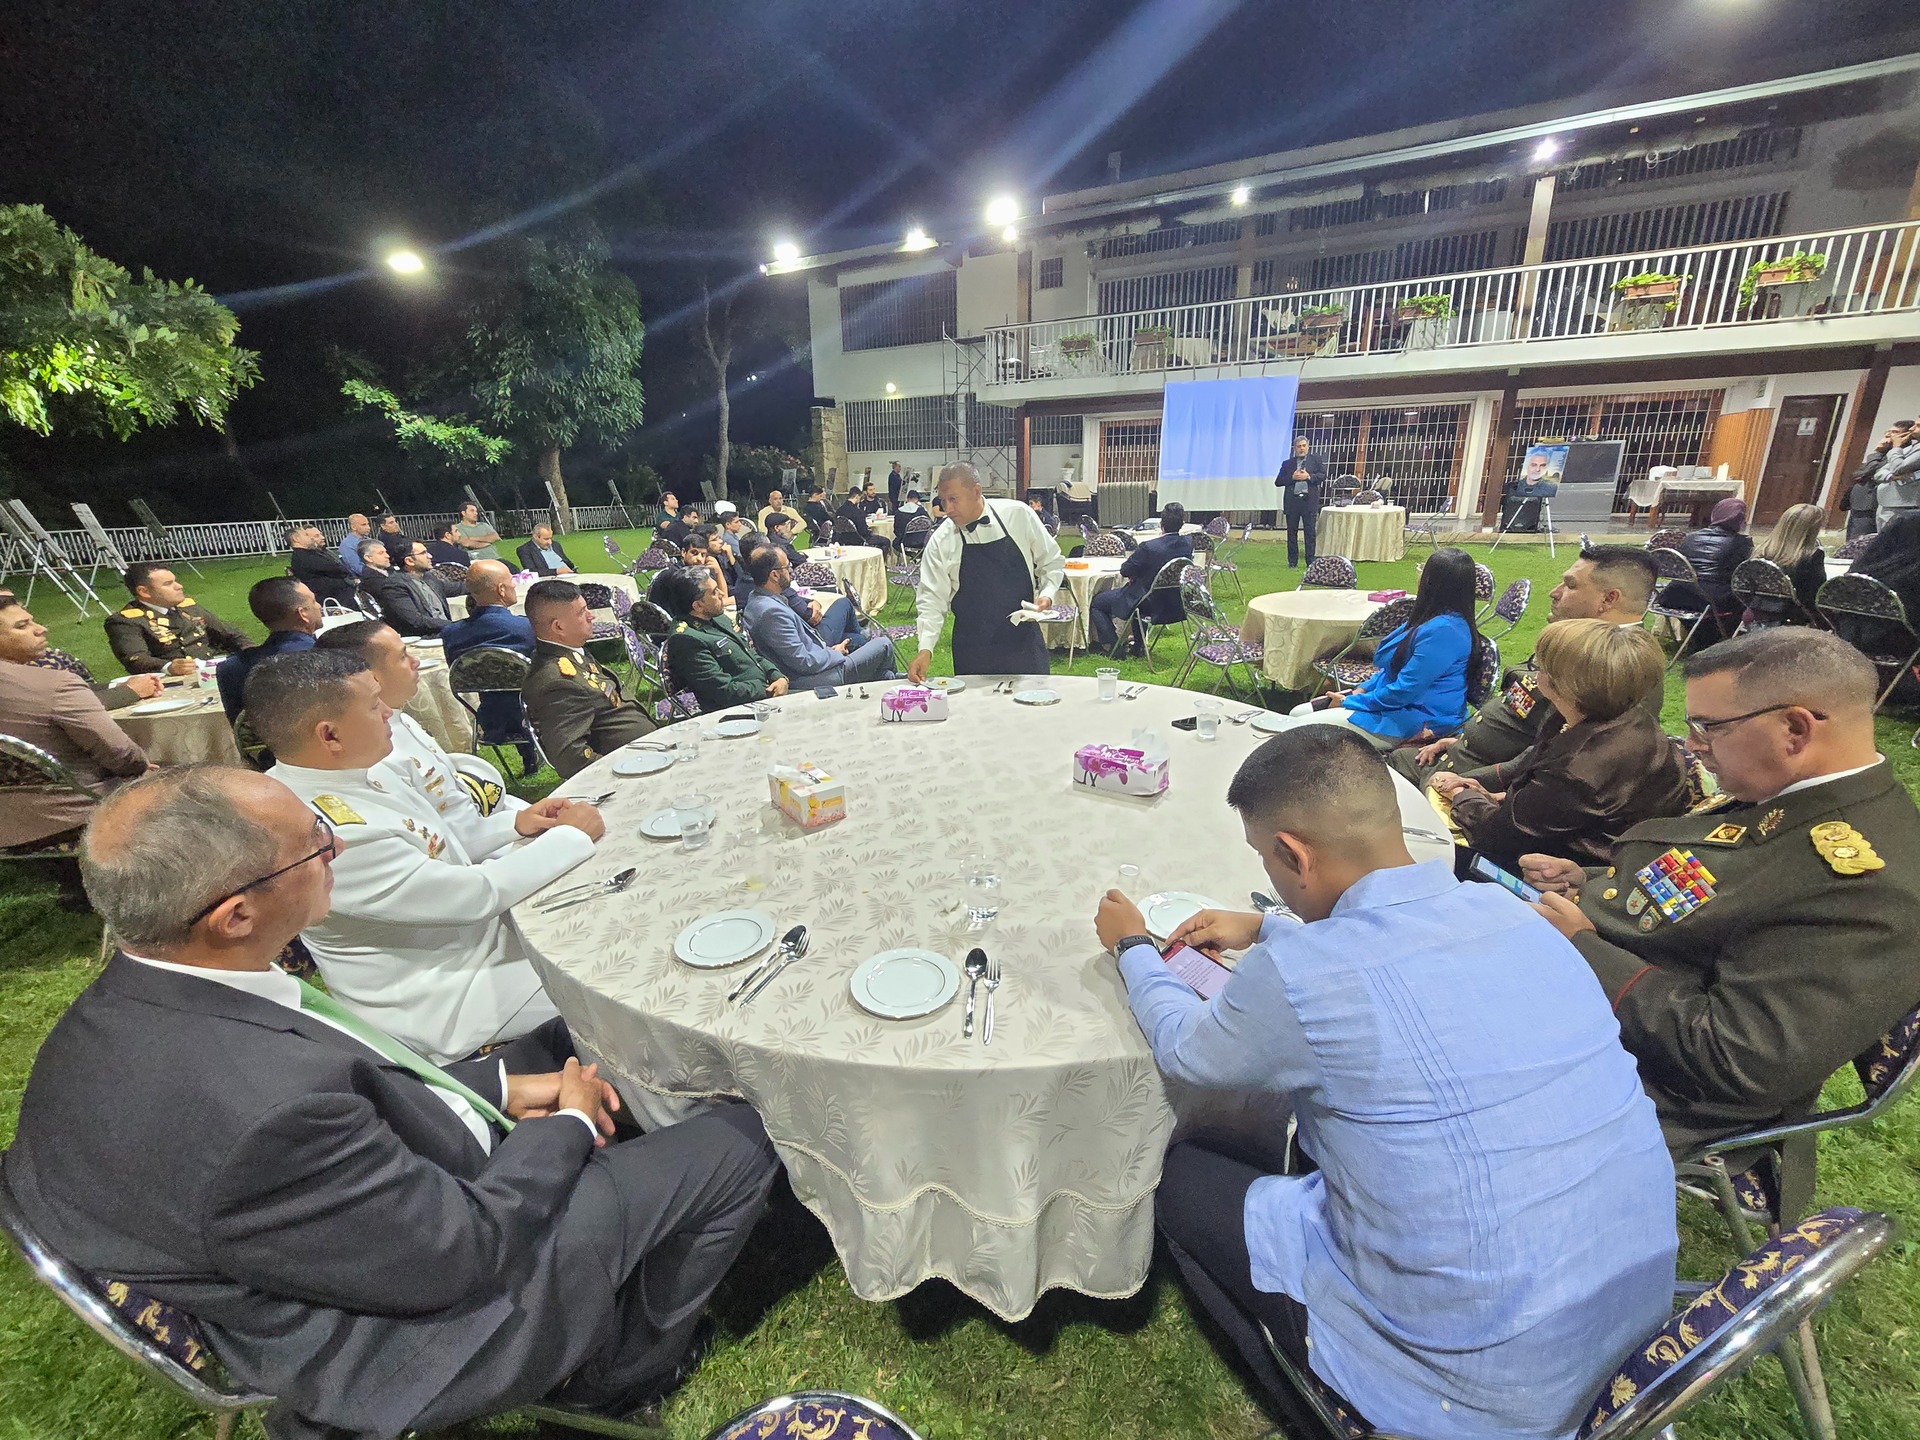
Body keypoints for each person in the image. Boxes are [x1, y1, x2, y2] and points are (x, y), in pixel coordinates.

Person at [3, 763, 777, 1439]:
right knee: (743, 1138)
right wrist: (568, 1124)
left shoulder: (137, 1000)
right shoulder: (260, 1110)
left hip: (333, 1232)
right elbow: (459, 1252)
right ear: (233, 914)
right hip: (409, 1330)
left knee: (570, 1034)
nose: (336, 847)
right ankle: (621, 1378)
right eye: (314, 845)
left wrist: (504, 1086)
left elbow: (353, 1094)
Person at [1096, 726, 1675, 1438]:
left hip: (1473, 1386)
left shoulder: (1307, 974)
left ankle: (1318, 1397)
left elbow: (1188, 1050)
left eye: (1265, 860)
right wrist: (1269, 924)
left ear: (1291, 854)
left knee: (1177, 1175)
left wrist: (1131, 947)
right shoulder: (1514, 915)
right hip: (1630, 1317)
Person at [1522, 628, 1920, 1216]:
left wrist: (1585, 948)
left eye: (1710, 727)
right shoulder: (1795, 796)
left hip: (1651, 1082)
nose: (1693, 744)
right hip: (1613, 1018)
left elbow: (1738, 1062)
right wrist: (1591, 884)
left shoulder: (1865, 888)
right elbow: (1709, 891)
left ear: (1795, 729)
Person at [252, 648, 599, 1062]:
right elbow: (471, 896)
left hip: (475, 944)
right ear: (330, 735)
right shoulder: (322, 831)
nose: (387, 712)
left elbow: (443, 843)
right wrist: (572, 838)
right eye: (372, 705)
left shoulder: (360, 770)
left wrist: (518, 824)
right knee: (614, 978)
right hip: (446, 996)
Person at [1391, 545, 1659, 787]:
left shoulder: (1620, 667)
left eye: (1570, 586)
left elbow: (1552, 760)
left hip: (1473, 784)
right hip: (1461, 755)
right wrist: (1461, 740)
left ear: (1609, 599)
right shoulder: (1584, 644)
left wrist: (1464, 779)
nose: (1554, 593)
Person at [1434, 621, 1691, 872]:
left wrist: (1462, 795)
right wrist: (1497, 797)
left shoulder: (1580, 767)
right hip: (1564, 841)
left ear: (1566, 685)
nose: (1534, 673)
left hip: (1571, 874)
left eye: (1541, 666)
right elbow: (1546, 802)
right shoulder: (1621, 714)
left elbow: (1499, 838)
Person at [0, 595, 149, 878]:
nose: (41, 628)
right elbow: (123, 756)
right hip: (74, 815)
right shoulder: (54, 684)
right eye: (22, 626)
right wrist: (144, 767)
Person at [319, 619, 524, 823]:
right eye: (402, 657)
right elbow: (445, 832)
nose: (415, 661)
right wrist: (515, 824)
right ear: (371, 678)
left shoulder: (400, 718)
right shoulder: (376, 752)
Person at [1291, 547, 1482, 746]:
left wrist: (1349, 702)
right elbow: (1391, 671)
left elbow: (1404, 692)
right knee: (1296, 713)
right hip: (1394, 705)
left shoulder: (1445, 631)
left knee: (1297, 730)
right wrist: (1360, 691)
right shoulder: (1432, 619)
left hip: (1418, 718)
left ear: (1431, 582)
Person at [909, 463, 1066, 681]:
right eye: (943, 501)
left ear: (976, 491)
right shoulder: (941, 540)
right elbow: (931, 599)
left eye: (954, 499)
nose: (948, 508)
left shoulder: (1018, 515)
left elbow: (1052, 561)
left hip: (1023, 643)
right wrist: (926, 648)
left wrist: (1047, 594)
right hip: (972, 649)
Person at [522, 579, 657, 776]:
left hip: (647, 752)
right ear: (558, 627)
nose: (591, 616)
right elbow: (571, 759)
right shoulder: (556, 681)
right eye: (581, 613)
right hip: (633, 770)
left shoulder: (572, 653)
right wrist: (629, 768)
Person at [440, 559, 542, 773]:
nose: (515, 585)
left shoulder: (452, 633)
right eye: (511, 581)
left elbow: (459, 672)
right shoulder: (526, 627)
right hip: (535, 712)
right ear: (501, 589)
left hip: (488, 716)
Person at [741, 547, 895, 688]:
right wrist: (835, 653)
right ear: (774, 575)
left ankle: (894, 683)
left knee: (885, 675)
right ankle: (900, 689)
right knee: (884, 644)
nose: (792, 570)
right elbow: (804, 662)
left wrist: (828, 650)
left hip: (818, 660)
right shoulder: (770, 613)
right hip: (816, 677)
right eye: (787, 567)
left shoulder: (758, 597)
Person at [659, 566, 791, 710]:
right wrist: (767, 688)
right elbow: (724, 692)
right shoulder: (686, 640)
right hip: (741, 709)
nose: (722, 594)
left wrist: (777, 676)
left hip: (764, 694)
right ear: (698, 605)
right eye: (715, 592)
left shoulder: (717, 617)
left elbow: (750, 653)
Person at [105, 562, 250, 675]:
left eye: (175, 581)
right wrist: (168, 667)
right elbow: (135, 658)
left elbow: (230, 634)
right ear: (144, 591)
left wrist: (252, 652)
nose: (179, 586)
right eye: (168, 584)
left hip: (210, 671)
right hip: (171, 682)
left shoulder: (189, 607)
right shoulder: (126, 620)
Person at [1091, 503, 1194, 657]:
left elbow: (1125, 570)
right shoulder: (1188, 543)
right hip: (1176, 603)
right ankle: (1138, 646)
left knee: (1097, 603)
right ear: (1182, 524)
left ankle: (1113, 647)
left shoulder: (1149, 547)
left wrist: (1136, 575)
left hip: (1148, 602)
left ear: (1161, 524)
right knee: (1142, 595)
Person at [215, 576, 322, 720]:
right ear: (303, 614)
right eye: (314, 602)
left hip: (264, 741)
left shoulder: (230, 668)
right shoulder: (322, 657)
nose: (319, 606)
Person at [1662, 497, 1753, 646]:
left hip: (1674, 595)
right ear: (1740, 519)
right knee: (1746, 598)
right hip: (1710, 601)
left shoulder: (1690, 537)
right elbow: (1742, 575)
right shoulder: (1741, 543)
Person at [1746, 501, 1827, 626]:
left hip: (1755, 613)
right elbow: (1815, 595)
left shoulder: (1760, 550)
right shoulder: (1813, 556)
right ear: (1811, 530)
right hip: (1792, 618)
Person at [362, 539, 453, 636]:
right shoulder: (394, 585)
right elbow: (415, 621)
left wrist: (471, 581)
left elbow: (454, 588)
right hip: (425, 637)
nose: (430, 556)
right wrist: (455, 625)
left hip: (447, 631)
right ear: (409, 561)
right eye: (423, 553)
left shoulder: (428, 577)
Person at [1274, 434, 1327, 567]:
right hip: (1293, 502)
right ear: (1294, 448)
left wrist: (1309, 476)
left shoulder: (1315, 460)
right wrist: (1292, 477)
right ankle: (1292, 562)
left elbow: (1323, 475)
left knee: (1310, 533)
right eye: (1299, 446)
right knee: (1292, 533)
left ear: (1308, 447)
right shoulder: (1288, 464)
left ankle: (1310, 561)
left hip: (1309, 502)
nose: (1301, 449)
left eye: (1304, 446)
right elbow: (1278, 481)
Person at [287, 523, 359, 606]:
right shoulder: (304, 557)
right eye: (306, 535)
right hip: (331, 598)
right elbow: (336, 568)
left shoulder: (311, 553)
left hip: (338, 592)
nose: (311, 538)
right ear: (296, 539)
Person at [1872, 419, 1920, 531]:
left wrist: (1897, 447)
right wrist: (1890, 476)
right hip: (1887, 503)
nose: (1912, 428)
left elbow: (1898, 468)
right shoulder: (1910, 448)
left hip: (1905, 505)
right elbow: (1879, 472)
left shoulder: (1899, 449)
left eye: (1918, 426)